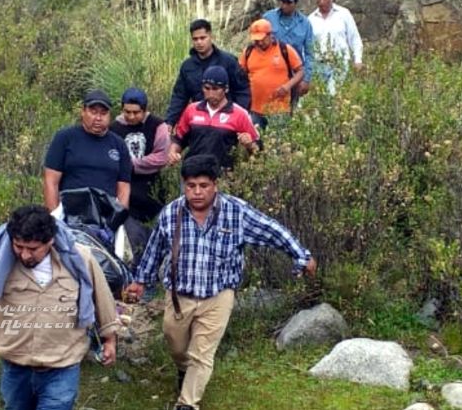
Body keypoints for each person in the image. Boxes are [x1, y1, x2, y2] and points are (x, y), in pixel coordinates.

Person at [125, 154, 318, 410]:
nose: (197, 192)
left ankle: (187, 403)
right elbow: (154, 250)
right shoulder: (171, 213)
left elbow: (271, 230)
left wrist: (301, 255)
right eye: (191, 186)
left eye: (203, 186)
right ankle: (184, 370)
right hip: (179, 295)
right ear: (183, 184)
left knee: (202, 355)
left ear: (215, 184)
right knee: (175, 343)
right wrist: (140, 281)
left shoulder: (236, 211)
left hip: (218, 294)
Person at [0, 205, 119, 410]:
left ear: (49, 241)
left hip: (62, 366)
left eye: (32, 249)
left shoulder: (79, 259)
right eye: (18, 246)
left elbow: (101, 296)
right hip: (15, 366)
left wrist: (109, 339)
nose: (24, 255)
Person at [43, 89, 132, 211]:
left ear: (109, 115)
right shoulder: (65, 138)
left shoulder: (119, 144)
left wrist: (119, 218)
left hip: (106, 215)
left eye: (103, 113)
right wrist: (54, 219)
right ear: (83, 112)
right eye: (93, 112)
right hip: (70, 213)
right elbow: (51, 181)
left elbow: (124, 187)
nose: (98, 118)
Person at [110, 87, 170, 259]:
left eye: (136, 112)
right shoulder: (114, 128)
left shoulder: (158, 126)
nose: (131, 116)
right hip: (126, 193)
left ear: (144, 110)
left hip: (153, 192)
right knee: (133, 239)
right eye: (127, 112)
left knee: (157, 237)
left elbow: (161, 157)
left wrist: (130, 164)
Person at [168, 66, 260, 169]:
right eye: (207, 88)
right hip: (192, 174)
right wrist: (173, 152)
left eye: (216, 89)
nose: (211, 93)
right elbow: (179, 139)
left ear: (226, 89)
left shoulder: (239, 114)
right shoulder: (192, 109)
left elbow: (258, 149)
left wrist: (249, 144)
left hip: (223, 176)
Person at [165, 19, 251, 127]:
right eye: (195, 39)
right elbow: (179, 96)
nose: (199, 42)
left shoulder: (228, 61)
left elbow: (242, 91)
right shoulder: (187, 66)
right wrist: (170, 122)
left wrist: (238, 117)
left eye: (202, 38)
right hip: (199, 120)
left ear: (211, 36)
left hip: (226, 120)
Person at [239, 19, 305, 130]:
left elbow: (300, 71)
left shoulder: (284, 49)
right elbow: (240, 74)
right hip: (255, 109)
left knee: (279, 143)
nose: (259, 43)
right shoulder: (248, 52)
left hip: (279, 108)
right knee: (256, 142)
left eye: (262, 39)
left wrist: (287, 86)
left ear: (270, 35)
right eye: (256, 40)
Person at [262, 0, 314, 103]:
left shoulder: (305, 23)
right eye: (282, 1)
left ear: (295, 4)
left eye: (288, 2)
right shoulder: (268, 18)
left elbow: (310, 52)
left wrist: (306, 79)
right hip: (271, 71)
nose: (284, 5)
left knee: (290, 110)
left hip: (294, 75)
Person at [308, 0, 364, 95]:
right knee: (317, 98)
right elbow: (308, 46)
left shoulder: (344, 14)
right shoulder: (310, 19)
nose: (322, 2)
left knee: (332, 96)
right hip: (318, 65)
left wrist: (358, 60)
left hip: (339, 63)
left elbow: (354, 38)